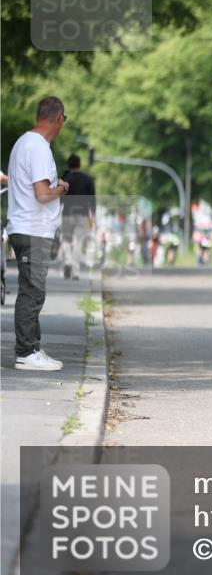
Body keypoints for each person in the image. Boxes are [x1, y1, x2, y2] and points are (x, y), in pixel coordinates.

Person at [6, 96, 70, 370]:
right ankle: (26, 352)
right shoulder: (39, 147)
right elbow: (42, 193)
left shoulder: (24, 142)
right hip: (33, 229)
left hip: (25, 226)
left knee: (33, 291)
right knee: (32, 293)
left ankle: (33, 347)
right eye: (64, 120)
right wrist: (61, 188)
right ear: (58, 119)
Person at [60, 153, 95, 280]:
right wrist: (93, 216)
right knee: (78, 243)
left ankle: (68, 261)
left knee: (66, 240)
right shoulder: (88, 179)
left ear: (69, 165)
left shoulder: (65, 178)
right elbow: (92, 200)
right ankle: (75, 272)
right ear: (79, 164)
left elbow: (60, 195)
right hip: (82, 215)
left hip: (68, 213)